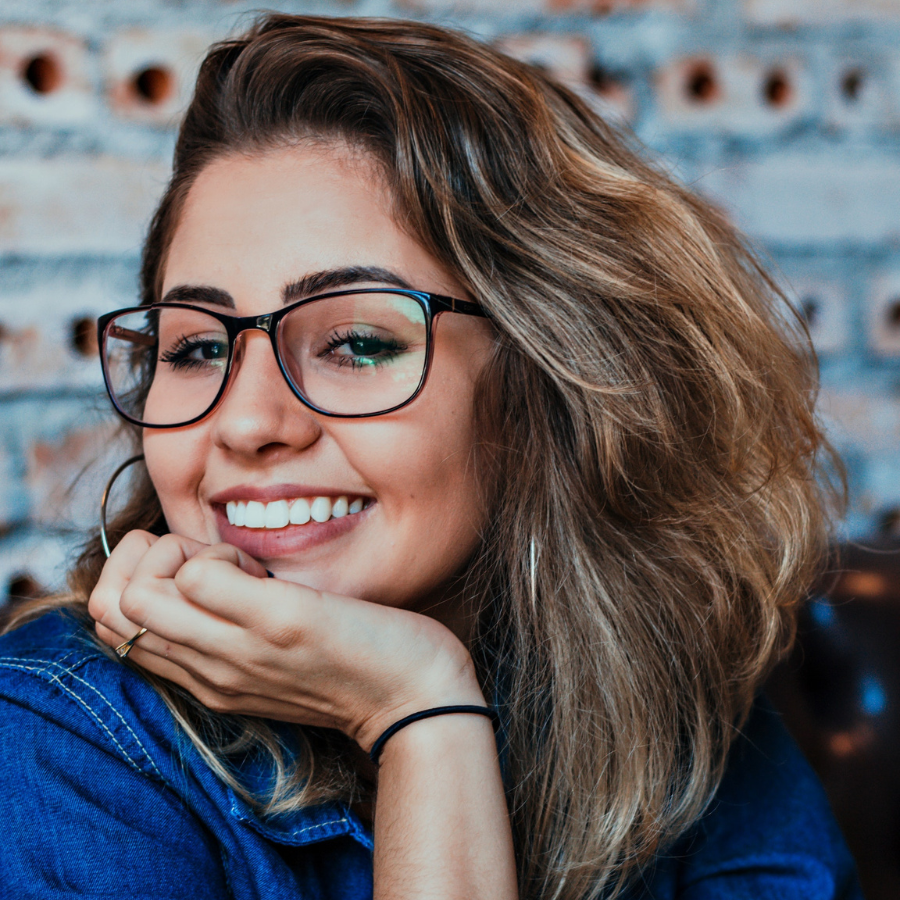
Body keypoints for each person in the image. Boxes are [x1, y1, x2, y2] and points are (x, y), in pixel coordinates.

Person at [0, 13, 862, 900]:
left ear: (550, 384)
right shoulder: (57, 740)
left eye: (358, 342)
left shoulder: (665, 695)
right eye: (197, 348)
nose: (247, 423)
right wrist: (422, 718)